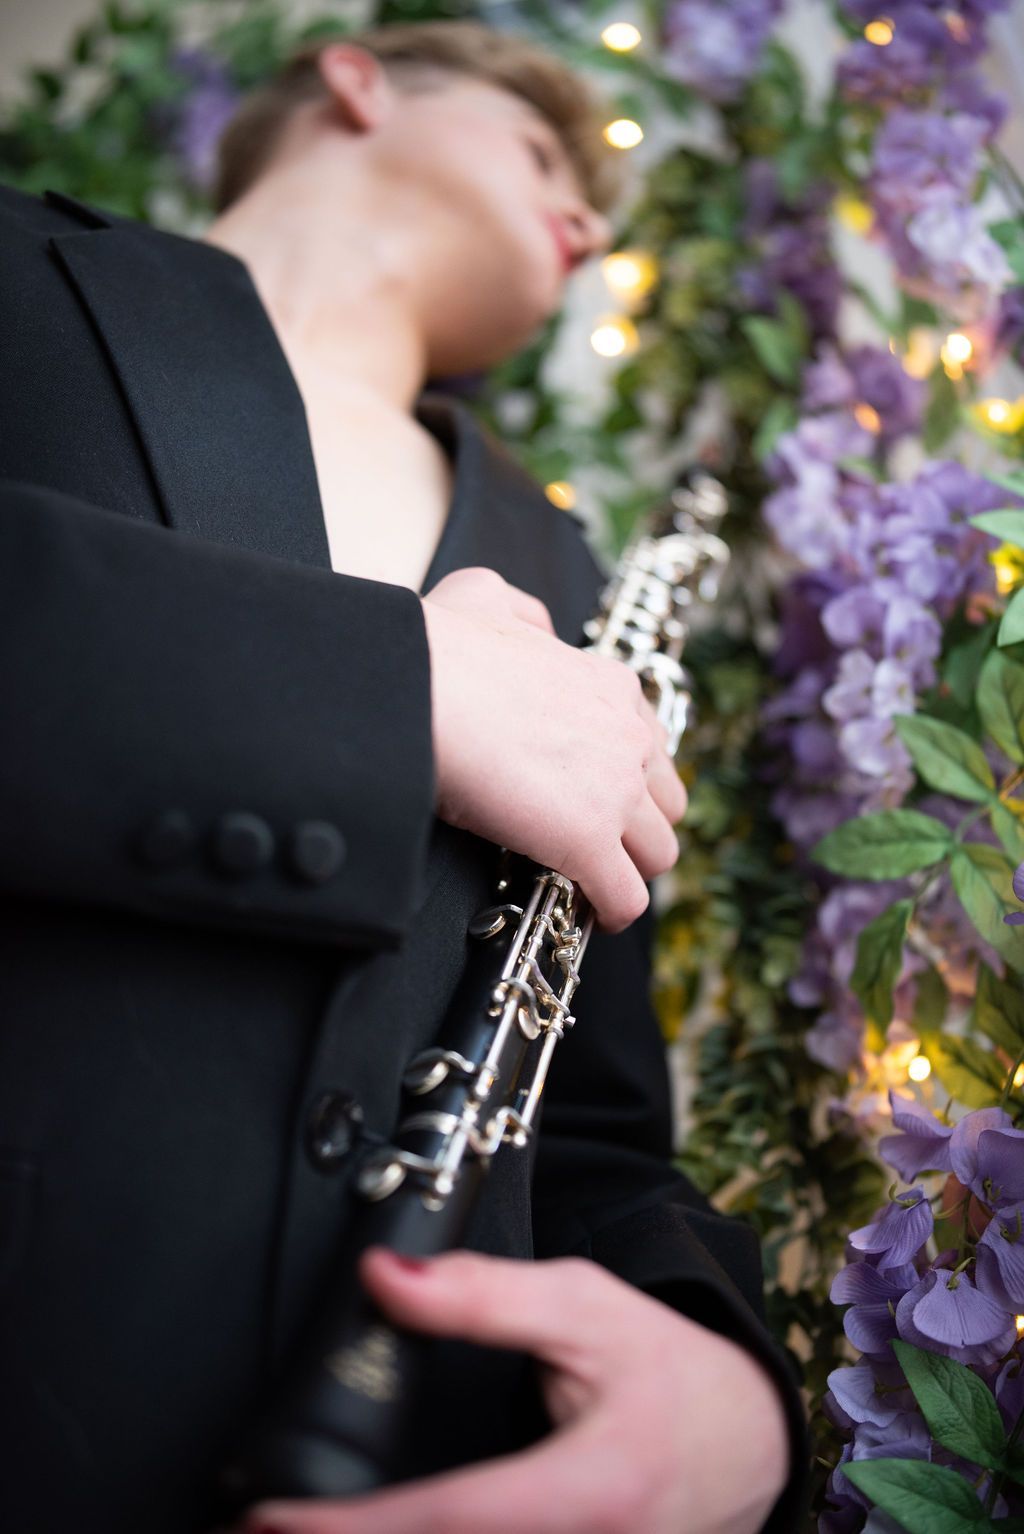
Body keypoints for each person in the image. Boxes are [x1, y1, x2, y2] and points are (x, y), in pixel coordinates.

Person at [0, 19, 809, 1534]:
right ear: (358, 79)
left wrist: (727, 1386)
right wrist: (390, 692)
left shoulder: (564, 565)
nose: (592, 210)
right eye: (543, 147)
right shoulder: (16, 273)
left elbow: (584, 1129)